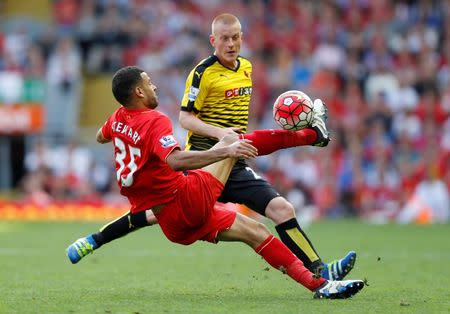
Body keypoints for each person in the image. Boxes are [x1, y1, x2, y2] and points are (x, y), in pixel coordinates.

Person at [67, 14, 356, 281]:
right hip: (207, 157)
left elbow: (104, 135)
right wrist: (222, 137)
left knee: (280, 209)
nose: (231, 44)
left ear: (242, 38)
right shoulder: (202, 73)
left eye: (236, 37)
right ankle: (312, 136)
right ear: (213, 41)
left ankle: (320, 272)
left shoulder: (246, 68)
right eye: (224, 39)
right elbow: (185, 118)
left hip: (233, 159)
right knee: (169, 206)